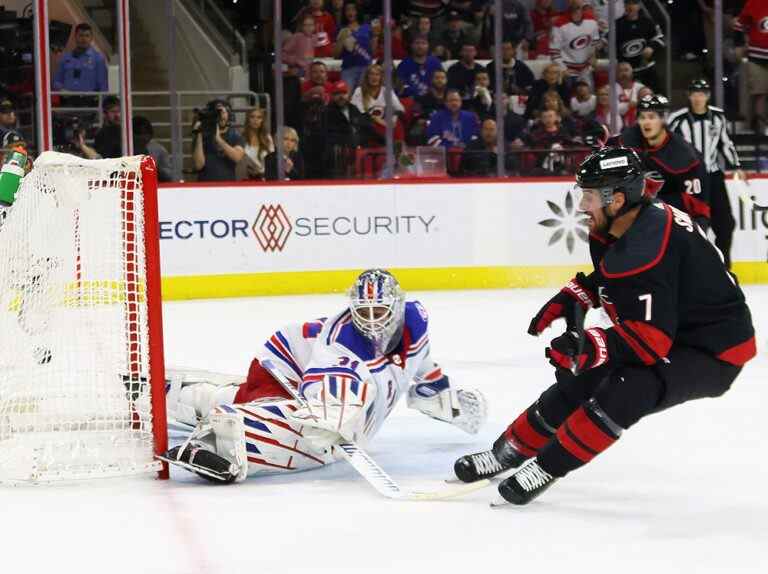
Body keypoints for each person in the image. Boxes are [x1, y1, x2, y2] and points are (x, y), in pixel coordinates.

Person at [453, 147, 756, 505]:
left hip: (713, 349)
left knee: (628, 386)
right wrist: (578, 293)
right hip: (674, 326)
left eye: (591, 195)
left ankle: (546, 467)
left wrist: (587, 345)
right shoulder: (629, 224)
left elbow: (650, 342)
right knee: (581, 381)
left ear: (617, 198)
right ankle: (506, 453)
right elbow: (620, 280)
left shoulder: (647, 245)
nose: (582, 205)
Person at [160, 269, 487, 483]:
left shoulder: (414, 324)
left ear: (398, 308)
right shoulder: (338, 346)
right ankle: (217, 438)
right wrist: (330, 418)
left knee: (260, 406)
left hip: (296, 373)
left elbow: (421, 369)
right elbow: (325, 385)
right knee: (311, 441)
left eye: (380, 312)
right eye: (364, 313)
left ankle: (184, 394)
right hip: (285, 365)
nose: (372, 322)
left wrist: (449, 401)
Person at [668, 79, 744, 268]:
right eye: (694, 93)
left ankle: (724, 266)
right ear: (689, 95)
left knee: (725, 224)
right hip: (690, 178)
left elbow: (725, 143)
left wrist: (736, 165)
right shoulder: (678, 119)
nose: (698, 97)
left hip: (713, 176)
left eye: (702, 93)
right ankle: (693, 267)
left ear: (708, 96)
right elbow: (668, 147)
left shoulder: (718, 117)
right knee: (693, 225)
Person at [609, 94, 710, 229]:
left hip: (675, 218)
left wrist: (697, 235)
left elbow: (698, 206)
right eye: (642, 117)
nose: (646, 122)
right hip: (641, 213)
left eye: (652, 117)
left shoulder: (685, 157)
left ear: (663, 119)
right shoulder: (630, 138)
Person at [733, 0, 768, 134]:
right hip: (757, 58)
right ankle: (760, 130)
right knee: (760, 94)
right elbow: (739, 25)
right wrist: (740, 45)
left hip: (756, 56)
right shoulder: (754, 2)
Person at [550, 0, 601, 89]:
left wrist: (593, 55)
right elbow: (554, 52)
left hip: (586, 71)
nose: (577, 1)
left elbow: (594, 42)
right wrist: (563, 69)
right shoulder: (559, 24)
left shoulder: (591, 20)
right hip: (568, 72)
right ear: (568, 2)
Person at [192, 99, 246, 182]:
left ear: (229, 114)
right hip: (204, 187)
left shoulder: (236, 136)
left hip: (227, 186)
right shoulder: (202, 135)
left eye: (223, 112)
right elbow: (199, 165)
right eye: (217, 113)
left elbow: (237, 157)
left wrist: (218, 139)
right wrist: (199, 134)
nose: (220, 116)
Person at [615, 0, 664, 90]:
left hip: (646, 67)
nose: (631, 6)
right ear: (624, 6)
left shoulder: (648, 22)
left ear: (639, 6)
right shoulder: (617, 24)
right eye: (628, 3)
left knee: (657, 95)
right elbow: (606, 41)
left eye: (634, 3)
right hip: (624, 71)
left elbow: (660, 38)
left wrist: (651, 47)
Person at [321, 80, 365, 177]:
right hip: (336, 155)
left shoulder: (354, 109)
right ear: (332, 96)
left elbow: (363, 128)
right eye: (337, 94)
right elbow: (327, 134)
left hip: (355, 152)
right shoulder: (327, 112)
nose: (341, 96)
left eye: (343, 93)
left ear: (348, 94)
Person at [52, 23, 109, 92]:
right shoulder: (65, 58)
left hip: (90, 100)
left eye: (87, 36)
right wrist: (62, 90)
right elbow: (56, 81)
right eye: (81, 35)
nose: (84, 39)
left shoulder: (98, 59)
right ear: (75, 37)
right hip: (67, 99)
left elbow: (103, 86)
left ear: (91, 38)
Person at [334, 2, 373, 91]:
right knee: (346, 98)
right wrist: (341, 39)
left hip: (366, 68)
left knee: (363, 100)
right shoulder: (341, 29)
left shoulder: (367, 28)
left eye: (353, 9)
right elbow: (336, 55)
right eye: (348, 10)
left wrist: (376, 36)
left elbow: (372, 52)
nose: (350, 12)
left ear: (358, 11)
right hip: (348, 69)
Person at [396, 34, 444, 99]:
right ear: (411, 45)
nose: (420, 46)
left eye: (423, 43)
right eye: (417, 43)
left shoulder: (435, 62)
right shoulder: (404, 65)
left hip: (433, 100)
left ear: (428, 46)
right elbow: (400, 90)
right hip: (412, 100)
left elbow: (442, 83)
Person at [77, 95, 122, 159]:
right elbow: (100, 158)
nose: (117, 115)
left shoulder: (124, 131)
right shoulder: (102, 133)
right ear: (104, 113)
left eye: (119, 111)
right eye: (113, 112)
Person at [133, 116, 173, 182]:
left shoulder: (159, 150)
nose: (144, 138)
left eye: (146, 134)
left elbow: (168, 175)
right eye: (140, 135)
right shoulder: (126, 148)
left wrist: (154, 169)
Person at [239, 108, 274, 181]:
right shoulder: (241, 137)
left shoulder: (267, 138)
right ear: (248, 119)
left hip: (264, 179)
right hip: (244, 179)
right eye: (252, 117)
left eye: (259, 117)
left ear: (262, 120)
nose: (255, 120)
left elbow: (272, 161)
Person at [615, 61, 645, 126]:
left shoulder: (641, 88)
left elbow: (646, 105)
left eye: (626, 70)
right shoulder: (611, 89)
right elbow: (613, 109)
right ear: (616, 74)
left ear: (632, 73)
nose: (623, 73)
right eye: (620, 71)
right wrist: (629, 105)